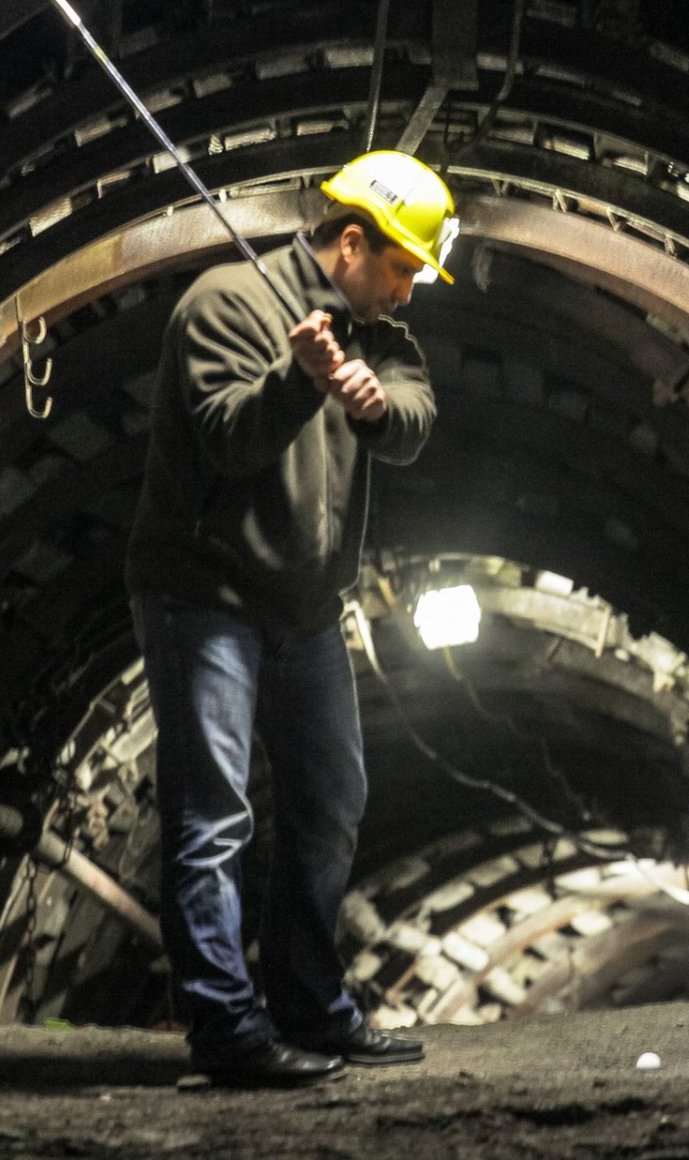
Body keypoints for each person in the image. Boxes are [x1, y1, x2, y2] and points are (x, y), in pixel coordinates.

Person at [125, 150, 457, 1087]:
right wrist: (300, 380)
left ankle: (312, 1008)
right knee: (211, 816)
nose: (407, 293)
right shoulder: (227, 303)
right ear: (352, 242)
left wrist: (371, 399)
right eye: (400, 270)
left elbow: (417, 416)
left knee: (330, 802)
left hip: (305, 609)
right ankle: (227, 1031)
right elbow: (228, 438)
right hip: (207, 600)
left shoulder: (374, 331)